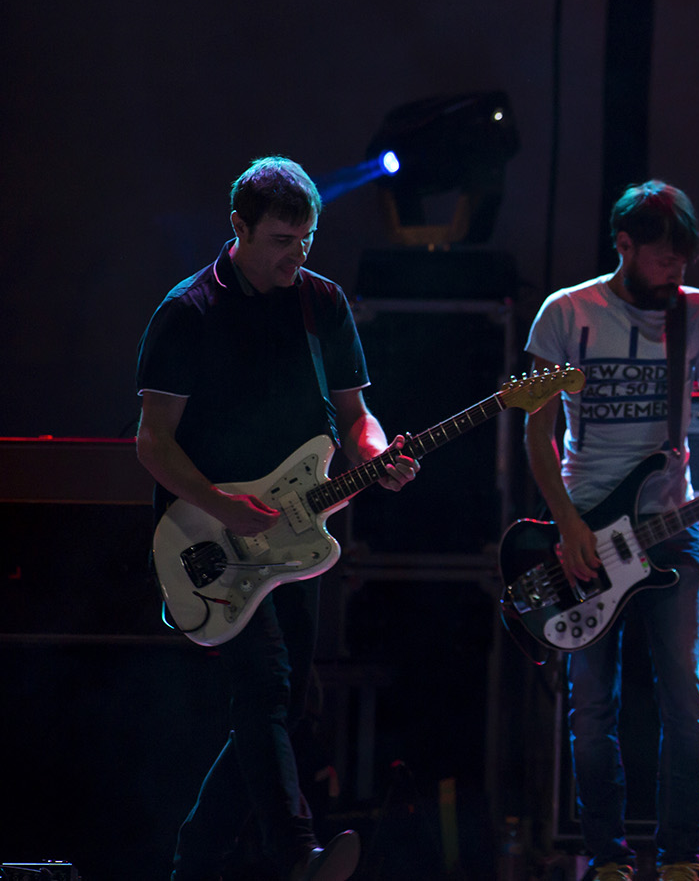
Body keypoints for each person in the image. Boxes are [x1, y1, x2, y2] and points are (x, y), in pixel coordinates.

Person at [136, 158, 419, 881]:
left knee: (288, 704)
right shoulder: (187, 312)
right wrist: (227, 506)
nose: (297, 255)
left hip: (297, 535)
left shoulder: (321, 303)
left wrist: (378, 453)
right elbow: (153, 441)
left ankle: (193, 863)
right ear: (240, 228)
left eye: (308, 239)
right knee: (263, 686)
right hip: (211, 539)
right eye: (282, 239)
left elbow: (357, 419)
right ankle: (299, 855)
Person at [524, 181, 699, 881]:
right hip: (586, 530)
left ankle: (681, 856)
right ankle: (608, 855)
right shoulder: (568, 312)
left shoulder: (696, 313)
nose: (675, 273)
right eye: (662, 259)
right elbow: (539, 432)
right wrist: (567, 523)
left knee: (686, 697)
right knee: (592, 707)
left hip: (672, 525)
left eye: (683, 260)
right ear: (624, 245)